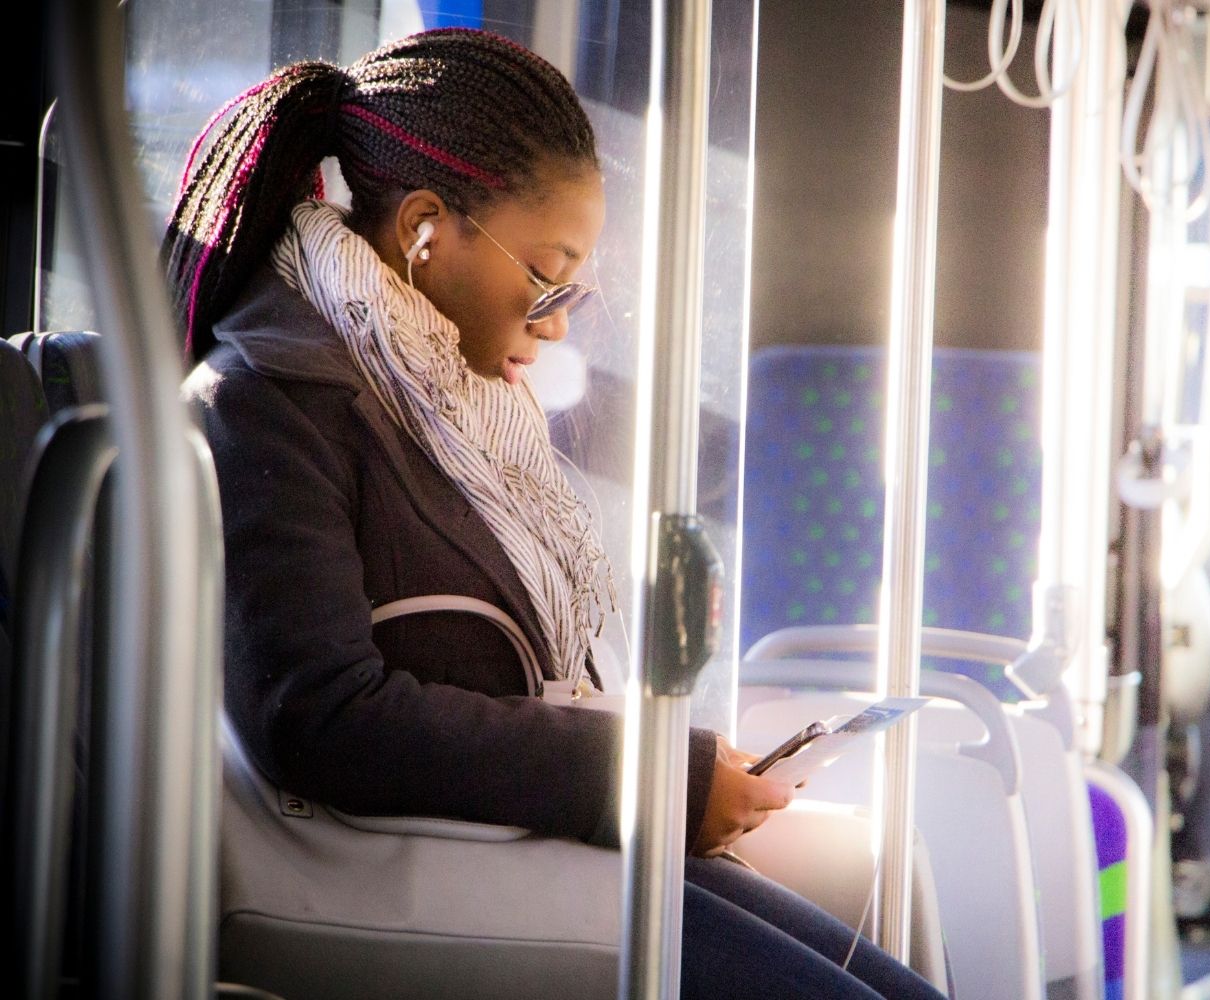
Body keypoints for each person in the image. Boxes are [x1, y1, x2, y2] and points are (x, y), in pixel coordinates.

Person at [168, 28, 945, 1000]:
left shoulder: (441, 399)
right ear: (421, 228)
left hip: (497, 830)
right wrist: (644, 777)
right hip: (371, 857)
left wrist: (669, 773)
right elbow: (323, 719)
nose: (563, 319)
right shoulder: (267, 401)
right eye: (547, 275)